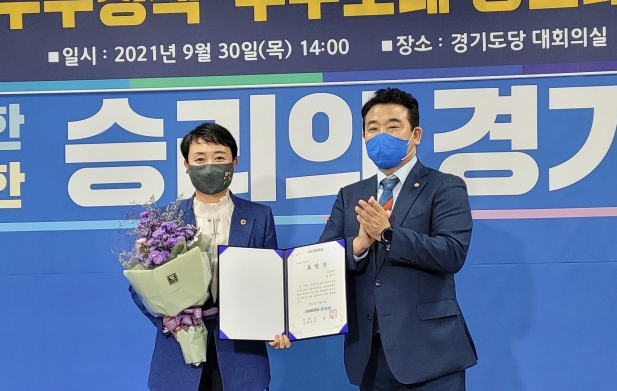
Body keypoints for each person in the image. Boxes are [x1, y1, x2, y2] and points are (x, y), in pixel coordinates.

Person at [319, 88, 477, 391]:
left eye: (393, 127)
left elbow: (452, 253)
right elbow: (321, 258)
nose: (382, 136)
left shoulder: (444, 187)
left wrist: (387, 234)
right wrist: (358, 246)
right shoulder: (350, 195)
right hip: (370, 355)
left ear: (415, 134)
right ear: (364, 136)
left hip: (431, 354)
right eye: (373, 129)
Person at [130, 122, 290, 391]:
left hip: (242, 355)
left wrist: (278, 325)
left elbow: (272, 281)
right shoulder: (164, 220)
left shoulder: (258, 216)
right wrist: (169, 321)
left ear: (234, 162)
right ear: (186, 164)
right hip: (180, 353)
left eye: (219, 158)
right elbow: (140, 286)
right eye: (200, 159)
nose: (210, 166)